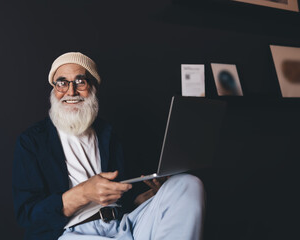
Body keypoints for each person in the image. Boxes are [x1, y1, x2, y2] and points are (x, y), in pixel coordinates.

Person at [12, 52, 205, 240]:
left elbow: (123, 201)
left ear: (93, 87)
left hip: (123, 225)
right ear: (54, 89)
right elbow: (28, 215)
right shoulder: (33, 141)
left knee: (187, 184)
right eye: (62, 83)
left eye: (80, 82)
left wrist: (149, 196)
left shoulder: (108, 134)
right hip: (72, 233)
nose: (70, 91)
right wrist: (83, 193)